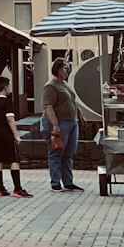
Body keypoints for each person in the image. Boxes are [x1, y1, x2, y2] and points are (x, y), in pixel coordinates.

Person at [0, 76, 32, 197]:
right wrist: (16, 135)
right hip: (5, 133)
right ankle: (17, 188)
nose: (10, 89)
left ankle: (0, 189)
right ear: (5, 87)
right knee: (14, 160)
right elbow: (10, 119)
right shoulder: (7, 102)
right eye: (9, 86)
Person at [42, 57, 82, 192]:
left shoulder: (64, 84)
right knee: (56, 152)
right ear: (58, 69)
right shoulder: (51, 85)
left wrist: (79, 114)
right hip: (59, 123)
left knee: (69, 153)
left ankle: (68, 181)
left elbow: (71, 100)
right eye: (65, 68)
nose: (67, 71)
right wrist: (55, 125)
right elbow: (48, 106)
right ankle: (55, 182)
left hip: (71, 121)